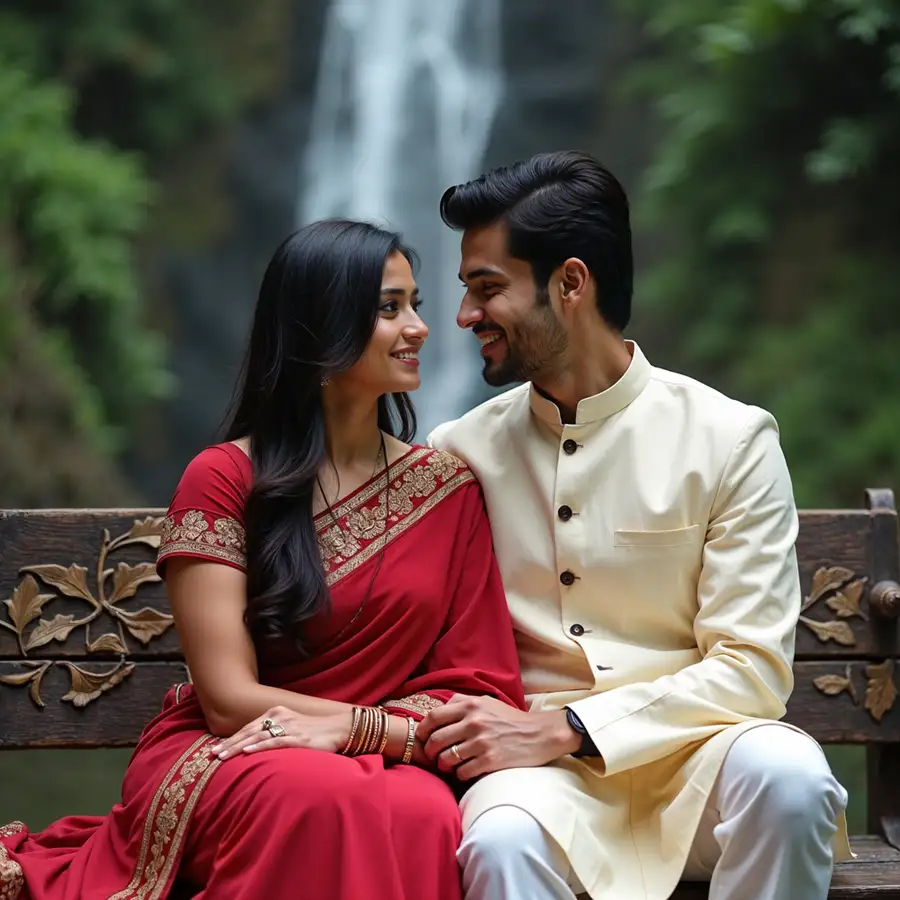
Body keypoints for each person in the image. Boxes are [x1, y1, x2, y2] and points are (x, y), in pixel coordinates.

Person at [0, 219, 525, 900]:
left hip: (391, 757)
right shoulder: (224, 479)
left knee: (425, 813)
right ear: (321, 326)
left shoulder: (447, 492)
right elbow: (226, 700)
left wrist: (366, 730)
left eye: (415, 304)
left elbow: (475, 682)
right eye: (390, 308)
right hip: (245, 747)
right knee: (318, 796)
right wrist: (363, 730)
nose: (421, 327)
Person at [421, 151, 853, 900]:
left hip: (700, 759)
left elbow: (752, 669)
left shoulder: (731, 438)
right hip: (541, 782)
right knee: (498, 840)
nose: (463, 317)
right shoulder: (459, 454)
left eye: (486, 289)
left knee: (791, 779)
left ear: (571, 283)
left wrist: (569, 727)